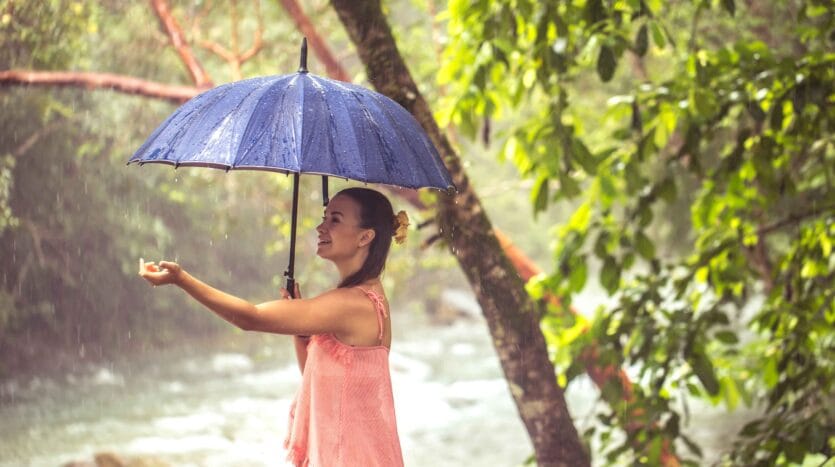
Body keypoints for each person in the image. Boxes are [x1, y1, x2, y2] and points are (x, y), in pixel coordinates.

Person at [139, 187, 408, 467]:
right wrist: (300, 328)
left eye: (335, 220)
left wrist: (181, 279)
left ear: (366, 236)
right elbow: (318, 380)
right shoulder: (364, 296)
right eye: (324, 217)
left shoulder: (351, 303)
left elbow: (250, 318)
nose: (321, 227)